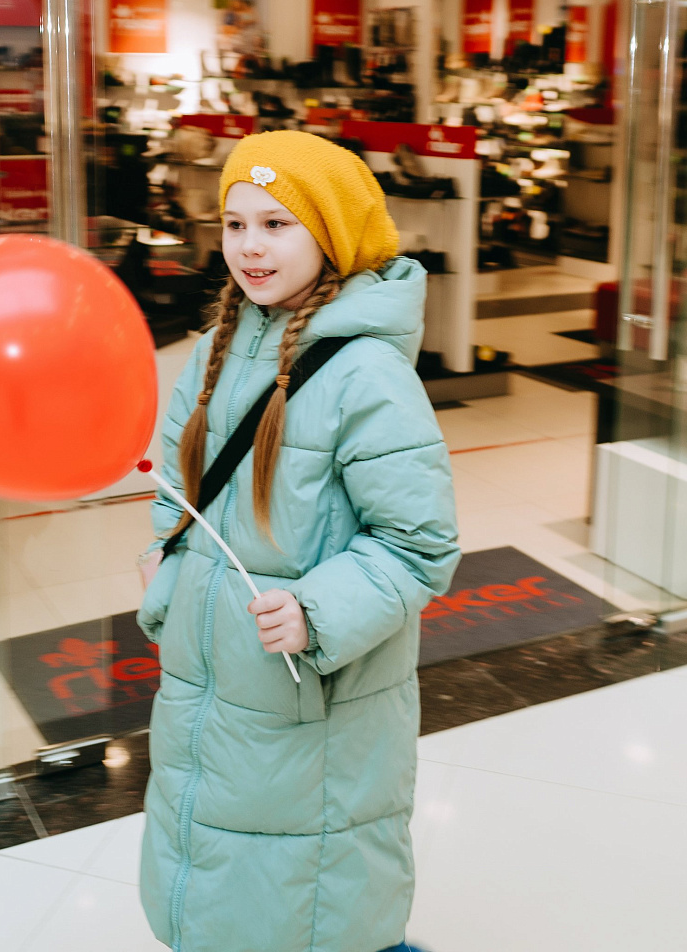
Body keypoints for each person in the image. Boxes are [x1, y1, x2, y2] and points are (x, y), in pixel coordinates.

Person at [136, 130, 460, 952]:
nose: (249, 246)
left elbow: (419, 543)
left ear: (331, 235)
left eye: (276, 225)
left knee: (308, 882)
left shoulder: (366, 375)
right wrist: (168, 571)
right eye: (235, 223)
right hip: (209, 675)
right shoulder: (213, 351)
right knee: (211, 853)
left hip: (309, 689)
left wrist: (317, 611)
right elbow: (179, 490)